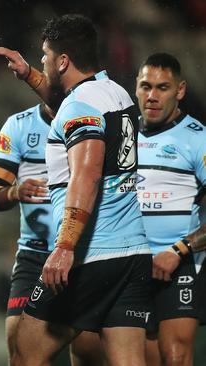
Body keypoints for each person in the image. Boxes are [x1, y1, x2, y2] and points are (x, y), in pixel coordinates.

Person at [0, 14, 151, 366]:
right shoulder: (114, 93)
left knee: (25, 355)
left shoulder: (80, 106)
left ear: (63, 61)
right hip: (133, 254)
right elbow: (71, 111)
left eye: (45, 56)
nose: (43, 62)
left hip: (91, 257)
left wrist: (64, 246)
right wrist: (29, 74)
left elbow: (87, 174)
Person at [0, 101, 105, 366]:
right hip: (35, 256)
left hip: (85, 257)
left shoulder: (95, 119)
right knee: (21, 355)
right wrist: (14, 192)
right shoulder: (19, 125)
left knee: (88, 353)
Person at [134, 53, 206, 366]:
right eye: (145, 86)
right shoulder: (119, 139)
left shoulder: (198, 139)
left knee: (175, 357)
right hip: (132, 266)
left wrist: (178, 250)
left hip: (181, 263)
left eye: (162, 88)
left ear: (180, 91)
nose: (152, 96)